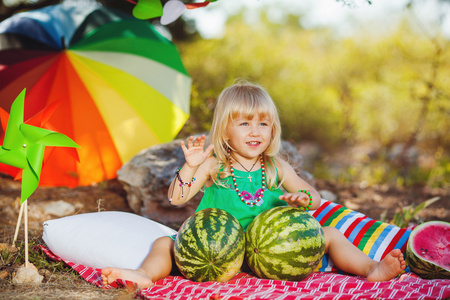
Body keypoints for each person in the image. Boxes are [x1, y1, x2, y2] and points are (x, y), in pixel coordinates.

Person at [101, 80, 406, 289]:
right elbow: (177, 198)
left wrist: (302, 199)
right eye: (244, 123)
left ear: (273, 130)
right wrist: (191, 166)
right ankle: (143, 274)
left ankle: (370, 269)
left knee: (330, 233)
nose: (255, 131)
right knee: (166, 243)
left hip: (273, 253)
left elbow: (314, 197)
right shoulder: (215, 166)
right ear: (225, 131)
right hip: (220, 254)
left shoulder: (276, 167)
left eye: (263, 123)